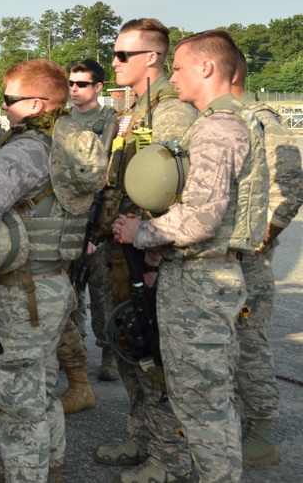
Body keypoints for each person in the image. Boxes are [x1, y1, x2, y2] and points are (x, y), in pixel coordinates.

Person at [114, 30, 268, 483]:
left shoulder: (217, 129)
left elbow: (200, 219)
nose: (172, 75)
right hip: (204, 276)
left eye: (178, 67)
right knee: (204, 399)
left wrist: (139, 232)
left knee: (203, 404)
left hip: (202, 279)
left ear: (206, 68)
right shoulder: (222, 121)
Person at [0, 59, 103, 482]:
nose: (4, 107)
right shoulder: (68, 145)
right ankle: (52, 470)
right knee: (43, 389)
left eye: (10, 99)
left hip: (21, 293)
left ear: (35, 103)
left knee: (15, 403)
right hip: (56, 285)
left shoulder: (25, 150)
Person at [95, 18, 197, 483]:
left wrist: (155, 252)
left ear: (152, 58)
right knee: (131, 350)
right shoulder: (135, 109)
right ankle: (142, 439)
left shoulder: (169, 112)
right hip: (123, 249)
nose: (113, 63)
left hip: (148, 254)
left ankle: (169, 462)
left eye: (123, 55)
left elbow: (175, 186)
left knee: (154, 359)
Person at [229, 50, 303, 467]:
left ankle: (262, 433)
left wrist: (259, 241)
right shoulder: (218, 118)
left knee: (247, 343)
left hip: (247, 260)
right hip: (222, 257)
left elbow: (289, 186)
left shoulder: (256, 119)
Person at [54, 59, 117, 418]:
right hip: (69, 215)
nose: (75, 88)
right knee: (71, 293)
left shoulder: (107, 120)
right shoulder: (62, 121)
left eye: (82, 83)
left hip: (98, 217)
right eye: (71, 83)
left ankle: (107, 350)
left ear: (97, 87)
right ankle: (75, 363)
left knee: (101, 291)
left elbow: (101, 166)